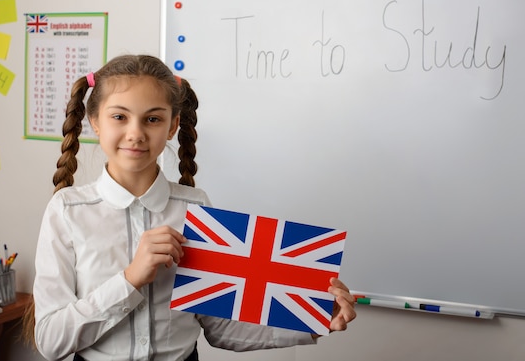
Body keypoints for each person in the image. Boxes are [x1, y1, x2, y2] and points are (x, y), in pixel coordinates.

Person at [26, 54, 356, 361]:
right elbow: (52, 340)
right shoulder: (68, 210)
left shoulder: (196, 209)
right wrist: (129, 280)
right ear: (95, 122)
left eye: (152, 119)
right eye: (119, 117)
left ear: (172, 126)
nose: (136, 133)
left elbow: (220, 327)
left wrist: (312, 320)